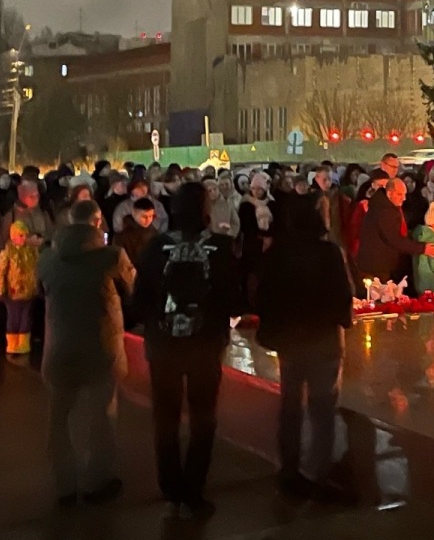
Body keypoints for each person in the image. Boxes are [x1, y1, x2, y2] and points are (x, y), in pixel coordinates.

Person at [133, 182, 240, 518]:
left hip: (163, 345)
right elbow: (233, 297)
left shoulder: (156, 247)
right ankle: (194, 489)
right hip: (205, 343)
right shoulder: (220, 247)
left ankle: (170, 485)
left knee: (165, 415)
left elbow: (139, 301)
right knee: (203, 416)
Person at [255, 192, 353, 501]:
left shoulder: (276, 254)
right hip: (323, 337)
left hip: (290, 339)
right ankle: (317, 472)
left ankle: (289, 468)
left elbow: (263, 295)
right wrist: (343, 321)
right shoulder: (328, 253)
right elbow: (342, 293)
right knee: (323, 407)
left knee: (291, 404)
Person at [37, 202, 134, 508]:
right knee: (101, 416)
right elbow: (132, 288)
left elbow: (42, 291)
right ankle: (97, 482)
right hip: (100, 346)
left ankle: (64, 485)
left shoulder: (47, 259)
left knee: (59, 419)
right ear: (97, 222)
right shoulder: (111, 256)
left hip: (59, 347)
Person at [354, 175, 434, 289]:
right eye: (399, 194)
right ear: (389, 193)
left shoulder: (382, 205)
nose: (404, 198)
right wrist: (422, 248)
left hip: (376, 263)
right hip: (377, 266)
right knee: (379, 298)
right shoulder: (385, 211)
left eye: (404, 194)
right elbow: (394, 239)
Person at [0, 220, 41, 361]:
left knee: (25, 318)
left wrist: (37, 286)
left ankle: (23, 344)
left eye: (24, 235)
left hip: (28, 292)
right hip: (13, 293)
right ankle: (12, 344)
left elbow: (36, 269)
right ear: (13, 236)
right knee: (13, 318)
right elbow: (0, 272)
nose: (22, 238)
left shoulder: (32, 251)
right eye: (19, 235)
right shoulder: (7, 252)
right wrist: (1, 290)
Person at [410, 207, 434, 294]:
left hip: (420, 281)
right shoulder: (432, 239)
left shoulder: (418, 237)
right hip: (433, 281)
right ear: (433, 223)